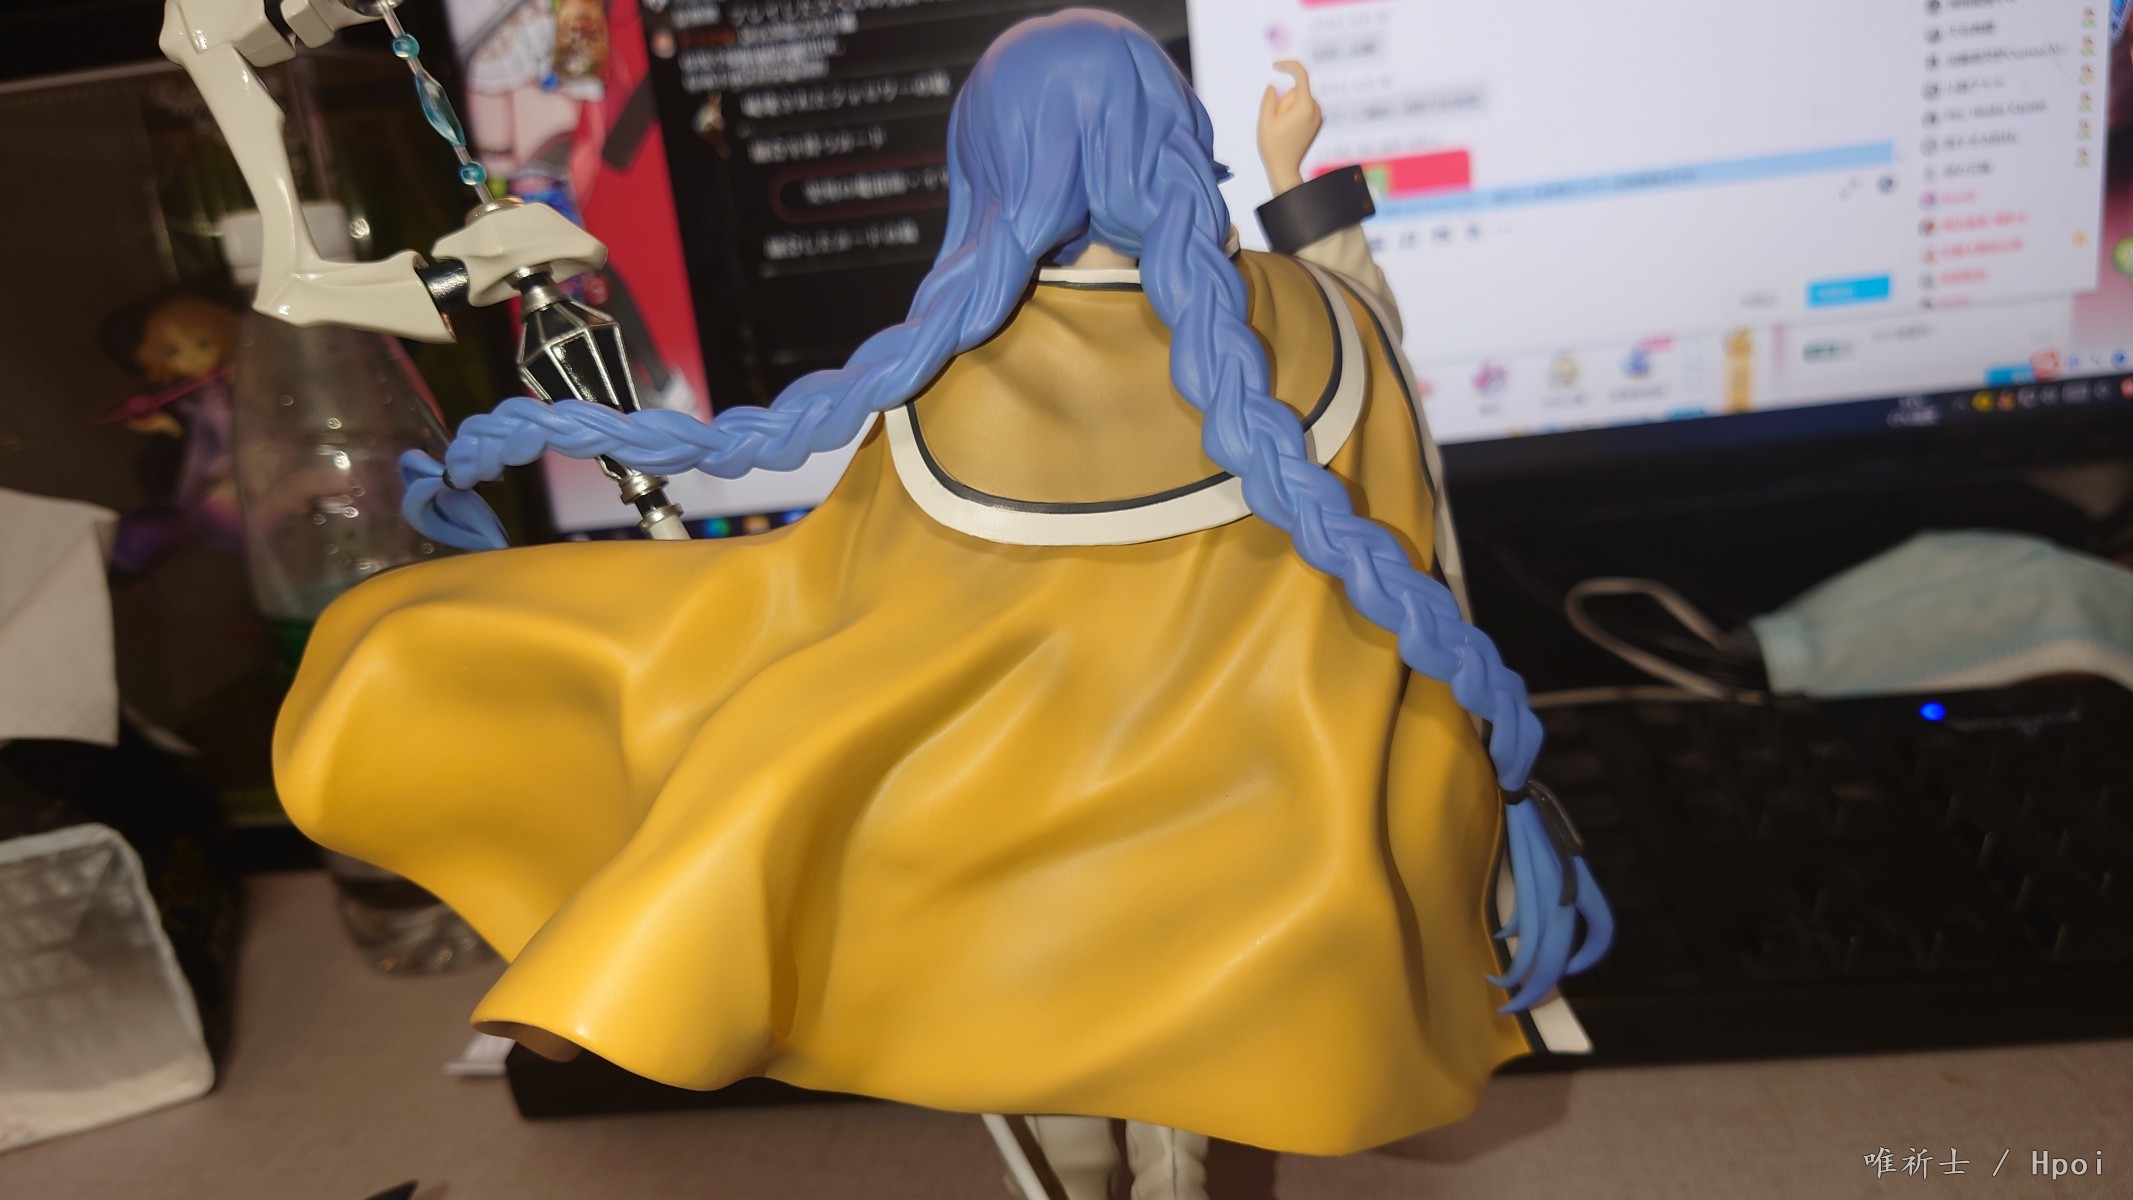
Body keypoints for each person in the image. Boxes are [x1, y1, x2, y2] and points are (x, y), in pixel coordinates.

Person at [277, 12, 1609, 1199]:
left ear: (987, 165)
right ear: (1176, 139)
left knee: (1046, 1074)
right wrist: (1297, 179)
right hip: (1269, 851)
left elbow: (845, 612)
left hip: (1030, 867)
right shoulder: (1317, 323)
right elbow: (1400, 440)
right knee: (1186, 1114)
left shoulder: (948, 379)